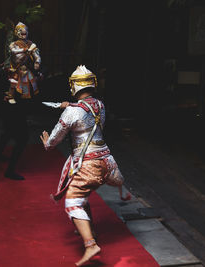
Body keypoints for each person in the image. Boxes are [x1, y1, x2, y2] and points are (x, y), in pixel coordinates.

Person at [40, 65, 130, 266]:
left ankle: (90, 245)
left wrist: (47, 143)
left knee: (72, 202)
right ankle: (91, 230)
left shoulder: (72, 111)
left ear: (74, 86)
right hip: (107, 161)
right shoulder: (100, 104)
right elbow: (86, 111)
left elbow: (55, 140)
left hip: (88, 165)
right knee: (83, 194)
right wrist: (69, 106)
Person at [0, 21, 43, 180]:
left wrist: (36, 61)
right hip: (14, 84)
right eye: (21, 31)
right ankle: (9, 168)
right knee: (19, 134)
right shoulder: (14, 45)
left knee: (9, 130)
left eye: (26, 30)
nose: (24, 33)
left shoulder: (31, 45)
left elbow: (37, 58)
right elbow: (18, 57)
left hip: (26, 82)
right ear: (16, 33)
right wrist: (29, 51)